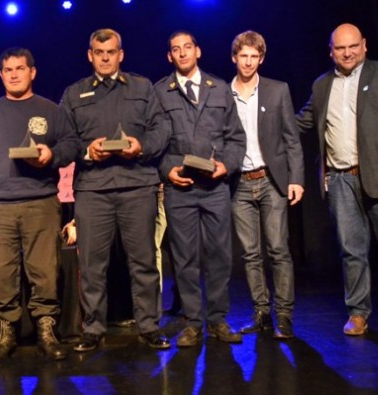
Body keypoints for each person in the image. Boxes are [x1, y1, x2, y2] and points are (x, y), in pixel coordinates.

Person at [296, 23, 378, 342]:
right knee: (351, 251)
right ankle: (357, 313)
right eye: (340, 48)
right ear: (331, 51)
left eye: (353, 46)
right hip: (340, 181)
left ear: (364, 45)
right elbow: (299, 123)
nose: (347, 52)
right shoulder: (321, 84)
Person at [0, 47, 81, 362]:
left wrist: (51, 155)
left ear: (33, 71)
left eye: (20, 68)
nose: (14, 74)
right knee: (1, 272)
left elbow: (71, 144)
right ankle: (6, 334)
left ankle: (46, 331)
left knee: (45, 270)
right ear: (1, 75)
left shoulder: (52, 111)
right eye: (8, 69)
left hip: (41, 202)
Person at [60, 28, 172, 352]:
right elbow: (65, 141)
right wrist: (86, 150)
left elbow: (162, 129)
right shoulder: (74, 93)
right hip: (93, 190)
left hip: (138, 186)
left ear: (121, 54)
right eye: (99, 52)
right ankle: (93, 329)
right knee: (92, 265)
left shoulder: (142, 87)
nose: (105, 57)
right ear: (90, 55)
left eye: (111, 52)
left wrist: (142, 146)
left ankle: (149, 326)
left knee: (144, 262)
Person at [154, 31, 246, 347]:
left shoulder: (219, 89)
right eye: (175, 49)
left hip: (215, 186)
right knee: (185, 258)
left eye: (187, 47)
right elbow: (155, 145)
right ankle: (192, 323)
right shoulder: (159, 93)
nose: (182, 53)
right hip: (180, 189)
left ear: (198, 51)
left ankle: (218, 319)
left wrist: (227, 165)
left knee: (220, 255)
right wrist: (168, 170)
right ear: (170, 56)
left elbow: (236, 138)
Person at [229, 31, 305, 340]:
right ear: (234, 57)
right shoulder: (223, 92)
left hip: (272, 180)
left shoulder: (277, 90)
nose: (248, 62)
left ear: (261, 58)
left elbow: (291, 138)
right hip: (240, 183)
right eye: (243, 56)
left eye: (253, 56)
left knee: (278, 249)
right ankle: (261, 312)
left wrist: (296, 178)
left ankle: (283, 316)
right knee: (250, 254)